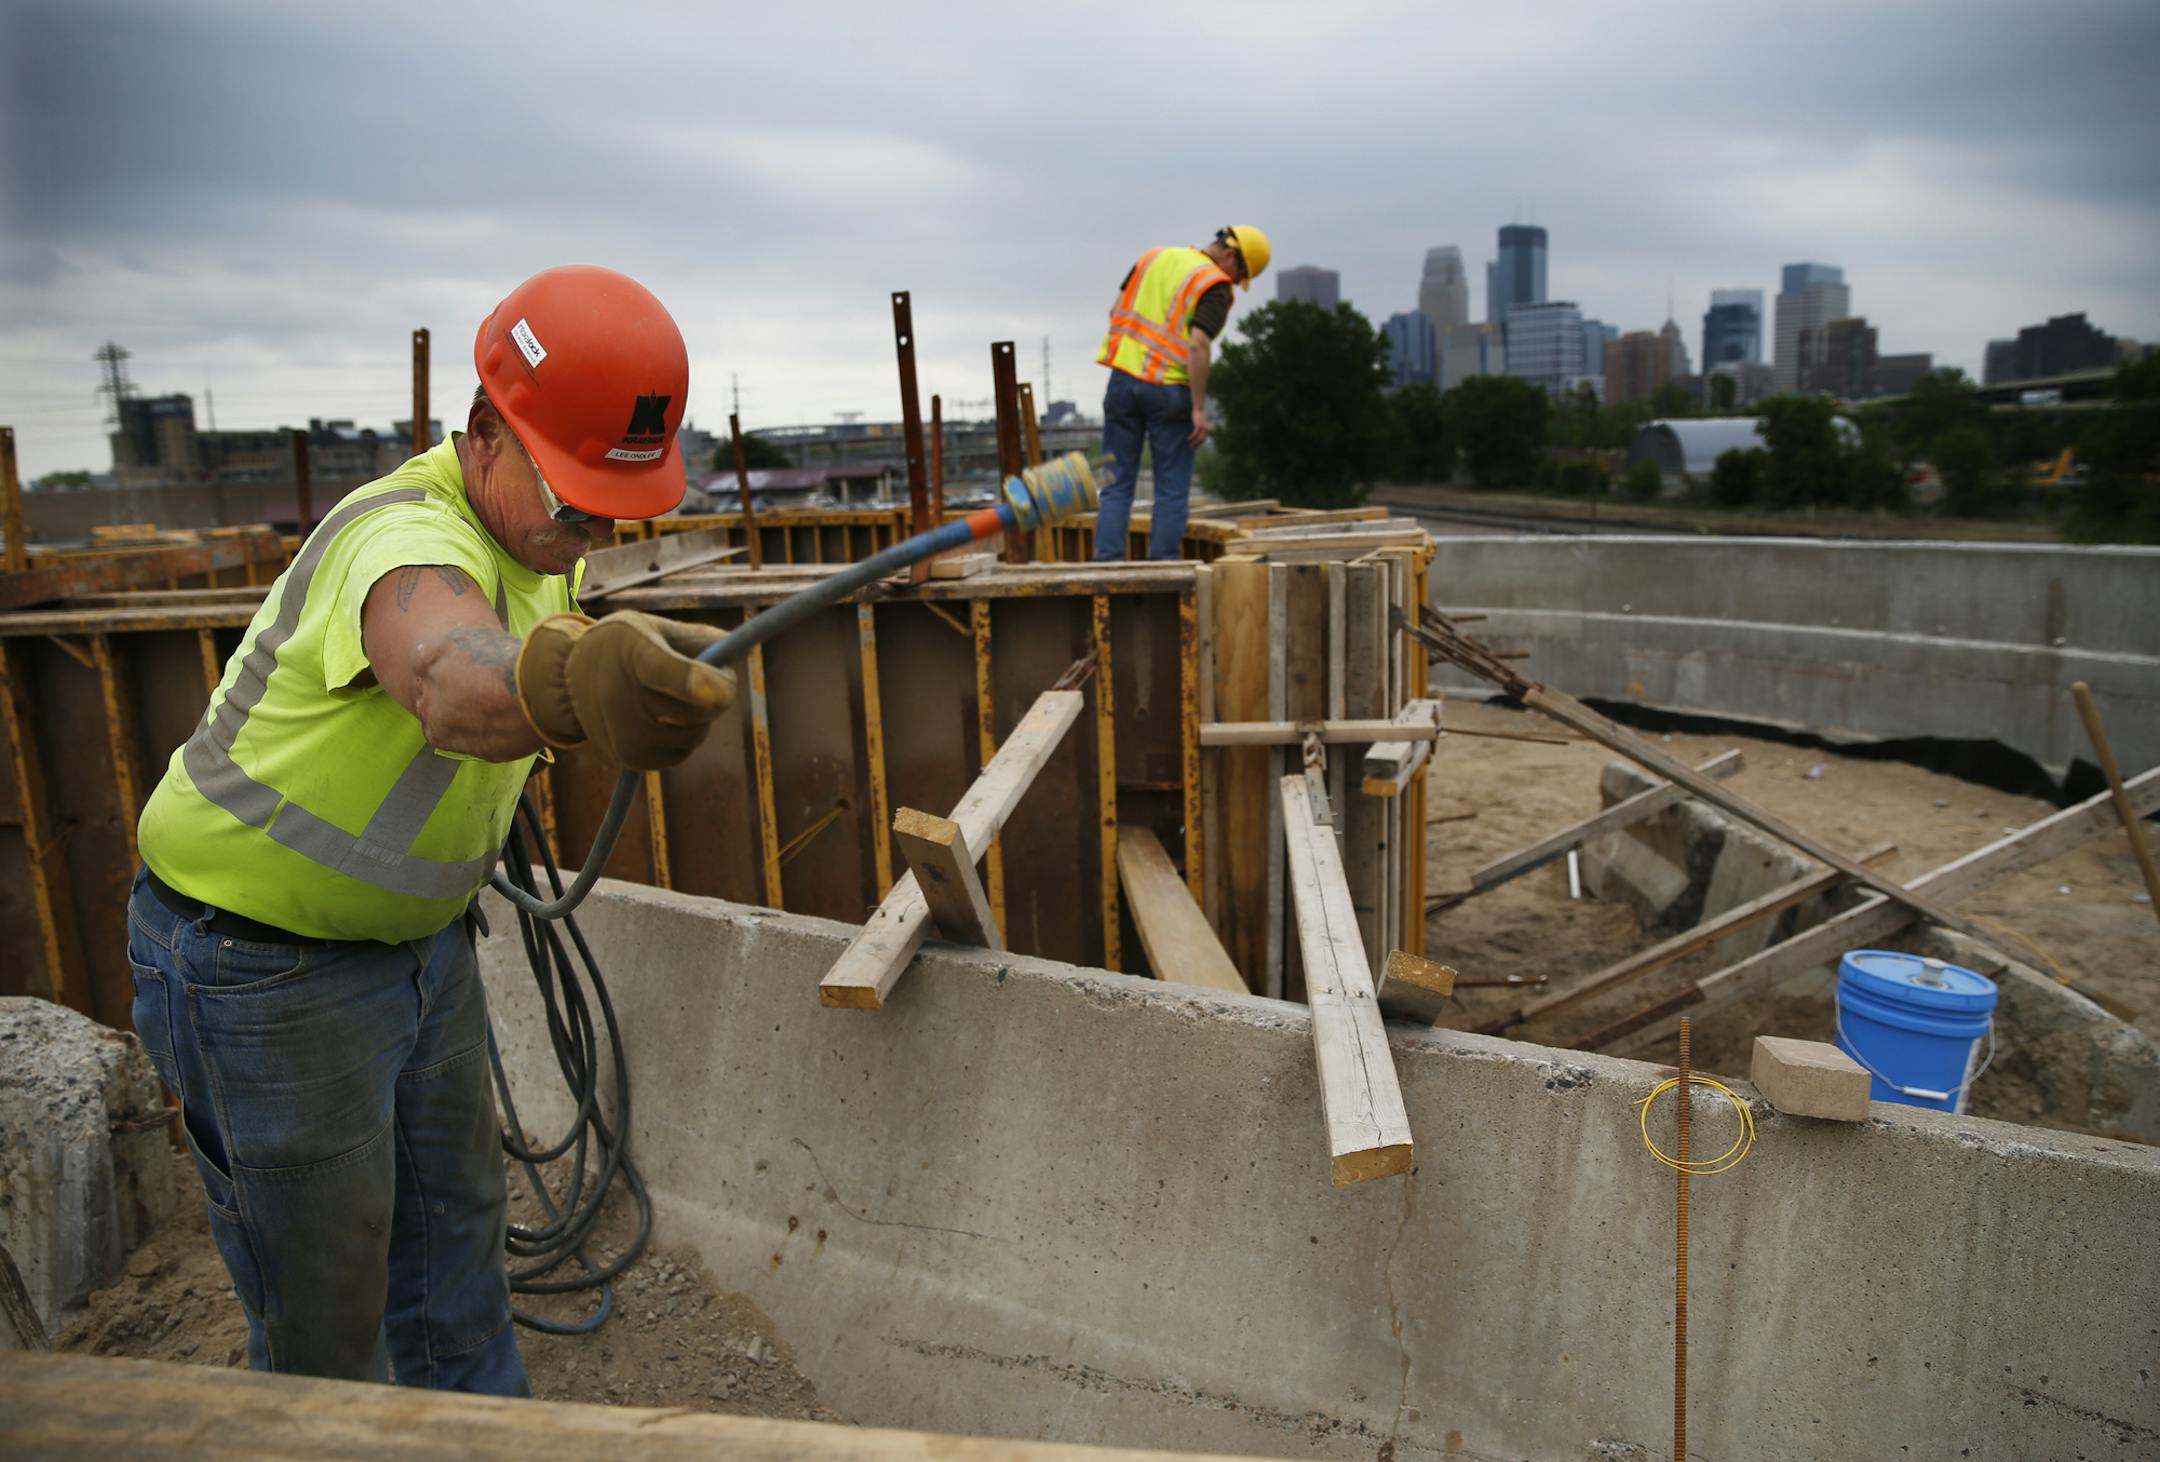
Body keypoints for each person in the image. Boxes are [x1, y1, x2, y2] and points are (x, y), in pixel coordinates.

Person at [126, 265, 734, 1393]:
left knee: (456, 1247)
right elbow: (452, 674)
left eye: (616, 498)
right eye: (574, 492)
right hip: (260, 969)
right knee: (327, 1319)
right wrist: (572, 676)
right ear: (486, 432)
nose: (595, 522)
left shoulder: (544, 544)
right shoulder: (398, 538)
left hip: (420, 951)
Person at [1091, 225, 1270, 561]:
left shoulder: (1152, 257)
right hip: (1168, 389)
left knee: (1115, 483)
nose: (1234, 283)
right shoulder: (1213, 285)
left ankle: (1108, 565)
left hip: (1122, 381)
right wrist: (1199, 410)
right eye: (1239, 275)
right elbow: (1198, 344)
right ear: (1231, 256)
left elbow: (1116, 311)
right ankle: (1163, 570)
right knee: (1171, 490)